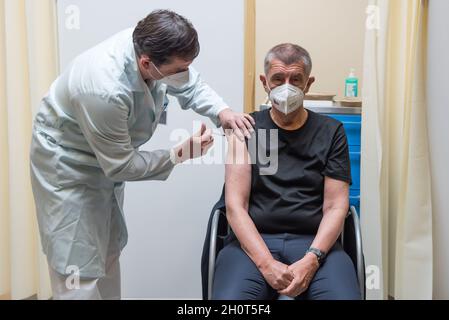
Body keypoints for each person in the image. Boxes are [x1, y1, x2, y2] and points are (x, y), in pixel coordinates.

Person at [30, 9, 254, 300]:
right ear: (147, 63)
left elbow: (190, 83)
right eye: (177, 70)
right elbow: (121, 165)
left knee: (108, 252)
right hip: (68, 169)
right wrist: (178, 155)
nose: (184, 75)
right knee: (77, 268)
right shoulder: (104, 88)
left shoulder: (150, 47)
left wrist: (221, 111)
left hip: (104, 161)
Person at [212, 44, 361, 300]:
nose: (286, 86)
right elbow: (235, 205)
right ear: (264, 82)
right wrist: (266, 264)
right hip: (253, 243)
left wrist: (313, 258)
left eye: (296, 79)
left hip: (315, 243)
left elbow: (336, 207)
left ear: (309, 83)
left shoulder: (331, 132)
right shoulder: (245, 128)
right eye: (278, 79)